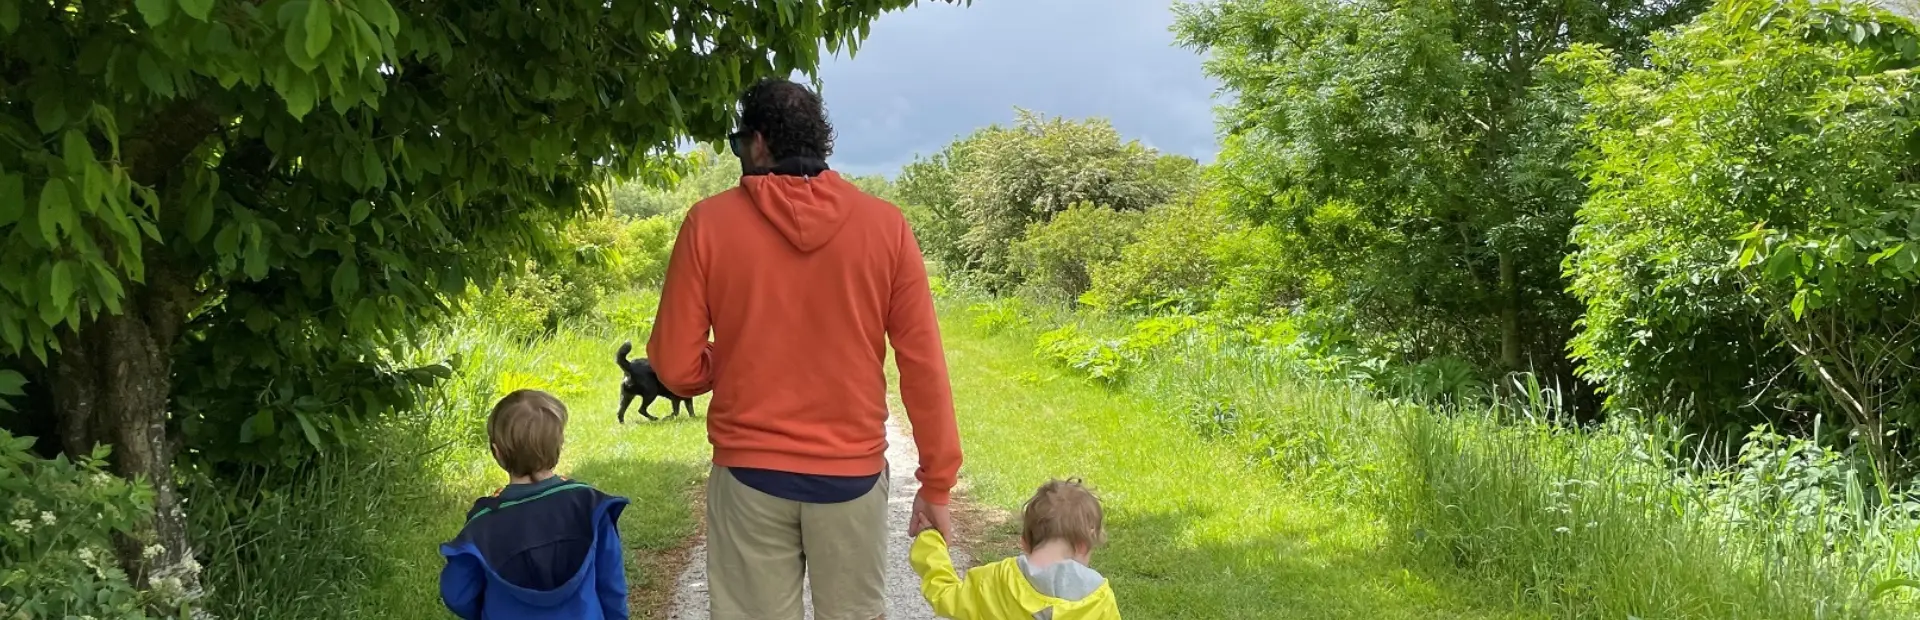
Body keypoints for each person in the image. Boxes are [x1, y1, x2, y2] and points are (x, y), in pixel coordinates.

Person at [647, 77, 964, 620]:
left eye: (738, 143)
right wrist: (937, 483)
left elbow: (674, 367)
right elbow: (923, 366)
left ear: (759, 143)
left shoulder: (708, 223)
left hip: (749, 475)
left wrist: (729, 358)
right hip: (851, 475)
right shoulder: (886, 226)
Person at [439, 389, 630, 620]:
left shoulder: (483, 525)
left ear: (497, 453)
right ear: (559, 445)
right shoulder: (588, 505)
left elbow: (457, 594)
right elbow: (611, 584)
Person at [910, 479, 1121, 619]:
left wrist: (929, 539)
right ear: (1083, 545)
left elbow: (945, 594)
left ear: (1025, 542)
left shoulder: (994, 580)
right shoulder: (1099, 600)